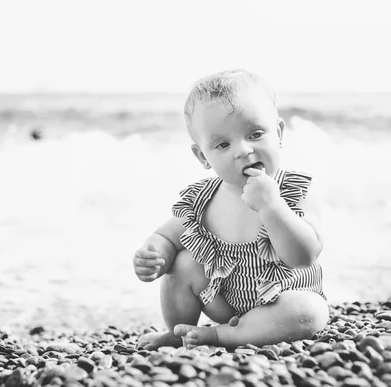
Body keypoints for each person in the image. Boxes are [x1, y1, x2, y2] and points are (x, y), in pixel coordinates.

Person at [133, 69, 328, 350]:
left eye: (256, 134)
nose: (243, 150)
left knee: (309, 311)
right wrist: (154, 255)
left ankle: (222, 336)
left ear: (279, 133)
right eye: (223, 144)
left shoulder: (293, 192)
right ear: (203, 156)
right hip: (223, 302)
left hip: (283, 303)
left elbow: (303, 256)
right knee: (182, 263)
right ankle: (178, 332)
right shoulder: (202, 200)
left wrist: (272, 207)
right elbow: (167, 236)